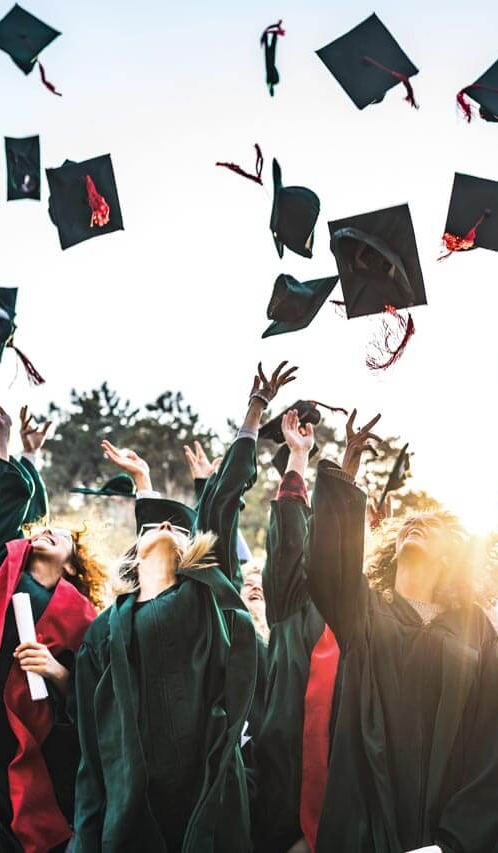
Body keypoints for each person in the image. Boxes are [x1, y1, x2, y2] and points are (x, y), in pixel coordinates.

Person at [72, 362, 293, 852]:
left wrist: (254, 416)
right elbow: (91, 737)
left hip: (207, 787)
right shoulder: (106, 629)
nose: (168, 527)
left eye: (179, 527)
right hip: (133, 795)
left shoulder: (203, 596)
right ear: (136, 545)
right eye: (156, 525)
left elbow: (222, 504)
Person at [304, 404, 498, 852]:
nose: (414, 525)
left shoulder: (474, 628)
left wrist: (453, 842)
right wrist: (347, 473)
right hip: (368, 816)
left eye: (429, 526)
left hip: (449, 830)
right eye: (408, 525)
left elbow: (492, 739)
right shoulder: (362, 609)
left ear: (450, 554)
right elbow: (328, 566)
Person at [0, 396, 103, 853]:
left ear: (72, 567)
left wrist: (54, 670)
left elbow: (95, 694)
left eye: (62, 535)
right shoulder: (1, 571)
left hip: (33, 750)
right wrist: (2, 439)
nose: (47, 531)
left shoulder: (83, 618)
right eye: (43, 529)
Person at [251, 407, 340, 853]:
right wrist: (298, 459)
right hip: (282, 802)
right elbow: (288, 539)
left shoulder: (364, 617)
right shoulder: (291, 608)